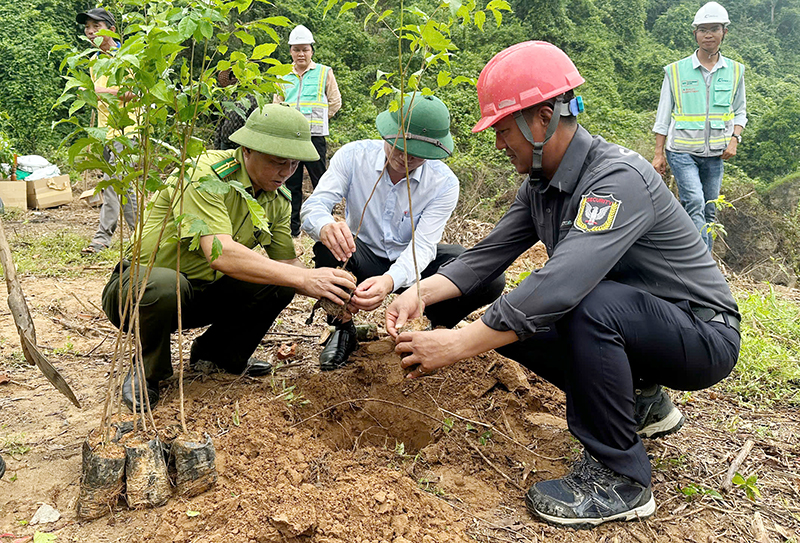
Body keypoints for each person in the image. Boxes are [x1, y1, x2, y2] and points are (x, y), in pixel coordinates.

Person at [388, 41, 740, 529]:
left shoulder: (617, 178)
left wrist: (459, 343)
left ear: (544, 117)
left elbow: (563, 282)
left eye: (504, 129)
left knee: (576, 303)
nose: (498, 143)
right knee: (519, 324)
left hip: (703, 335)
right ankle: (642, 402)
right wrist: (418, 293)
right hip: (644, 326)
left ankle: (621, 479)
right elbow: (487, 255)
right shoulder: (539, 184)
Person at [101, 104, 355, 411]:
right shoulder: (204, 174)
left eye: (293, 164)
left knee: (281, 283)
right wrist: (306, 278)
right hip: (140, 293)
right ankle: (147, 370)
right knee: (165, 284)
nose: (287, 173)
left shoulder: (277, 197)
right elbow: (220, 253)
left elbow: (287, 264)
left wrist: (331, 289)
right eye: (277, 162)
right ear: (247, 150)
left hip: (201, 294)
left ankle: (218, 356)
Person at [301, 93, 505, 371]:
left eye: (418, 154)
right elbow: (314, 206)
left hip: (415, 268)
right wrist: (325, 225)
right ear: (387, 133)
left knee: (486, 276)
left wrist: (390, 281)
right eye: (399, 146)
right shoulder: (353, 156)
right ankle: (343, 329)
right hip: (363, 255)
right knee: (329, 246)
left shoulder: (443, 183)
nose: (405, 158)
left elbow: (422, 247)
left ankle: (428, 325)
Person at [652, 2, 746, 252]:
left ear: (724, 32)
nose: (708, 35)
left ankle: (699, 262)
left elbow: (740, 111)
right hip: (681, 151)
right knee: (694, 201)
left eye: (714, 28)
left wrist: (735, 138)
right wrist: (658, 153)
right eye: (702, 29)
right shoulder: (675, 71)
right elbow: (663, 115)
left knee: (710, 208)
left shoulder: (735, 71)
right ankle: (702, 266)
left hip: (716, 154)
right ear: (695, 33)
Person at [77, 8, 139, 255]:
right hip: (105, 132)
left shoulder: (125, 57)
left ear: (111, 30)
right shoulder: (94, 60)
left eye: (95, 26)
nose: (90, 31)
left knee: (111, 184)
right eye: (87, 26)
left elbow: (134, 93)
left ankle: (102, 239)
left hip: (127, 130)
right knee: (124, 187)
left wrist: (102, 93)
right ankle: (142, 234)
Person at [274, 24, 342, 237]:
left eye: (305, 49)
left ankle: (325, 227)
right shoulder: (283, 74)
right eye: (296, 49)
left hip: (315, 137)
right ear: (291, 51)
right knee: (290, 181)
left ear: (311, 50)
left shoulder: (324, 72)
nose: (301, 54)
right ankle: (292, 230)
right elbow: (277, 103)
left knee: (320, 181)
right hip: (291, 138)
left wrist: (320, 120)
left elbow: (335, 102)